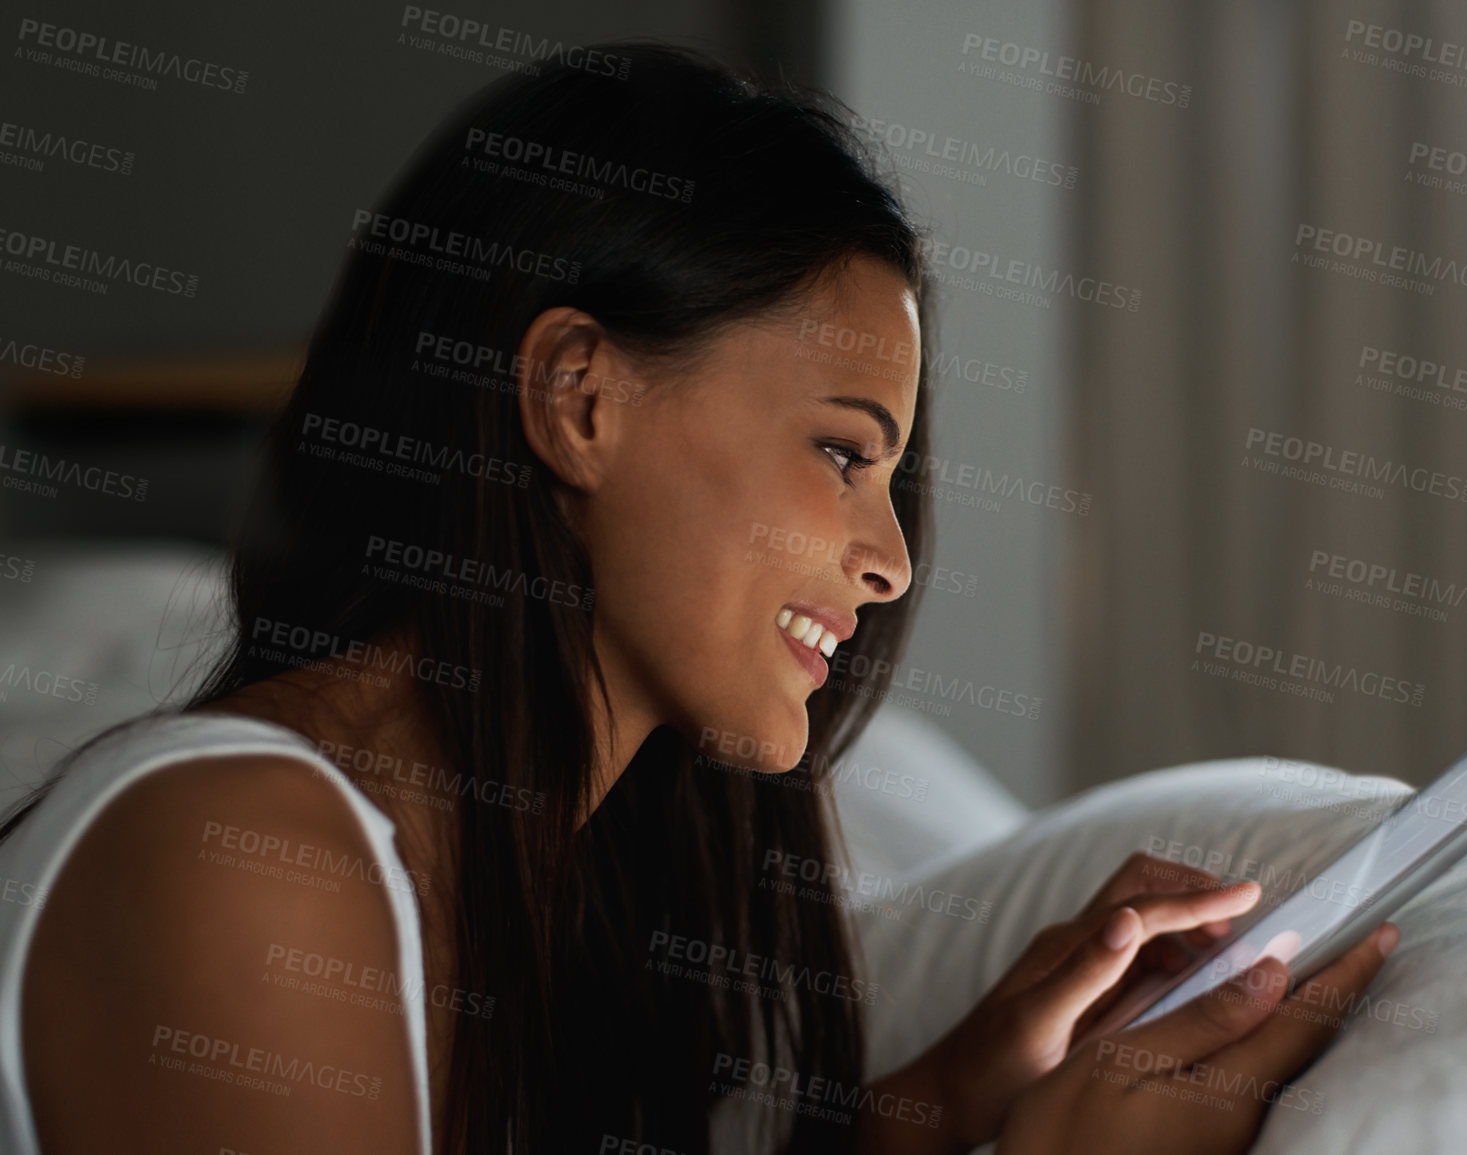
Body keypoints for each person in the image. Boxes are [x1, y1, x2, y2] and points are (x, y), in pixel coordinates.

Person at [0, 42, 1393, 1155]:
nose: (890, 561)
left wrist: (955, 1094)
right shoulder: (240, 849)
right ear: (580, 397)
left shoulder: (546, 893)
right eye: (842, 453)